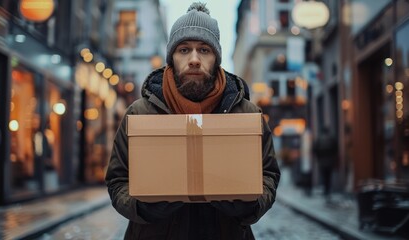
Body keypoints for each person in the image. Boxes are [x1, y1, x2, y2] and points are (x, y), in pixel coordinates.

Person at [105, 2, 280, 239]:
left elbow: (268, 174)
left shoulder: (247, 114)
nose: (194, 59)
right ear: (172, 58)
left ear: (216, 58)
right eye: (184, 50)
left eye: (204, 50)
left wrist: (251, 205)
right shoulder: (140, 114)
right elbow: (117, 179)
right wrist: (141, 207)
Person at [312, 126, 338, 201]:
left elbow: (315, 150)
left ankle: (325, 190)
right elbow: (335, 149)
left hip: (322, 161)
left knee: (324, 176)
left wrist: (318, 158)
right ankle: (328, 190)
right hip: (330, 161)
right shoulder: (332, 139)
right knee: (329, 176)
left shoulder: (319, 139)